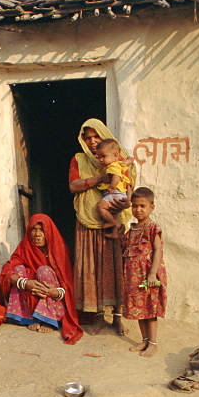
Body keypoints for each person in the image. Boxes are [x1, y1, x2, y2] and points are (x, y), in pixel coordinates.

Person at [69, 118, 135, 335]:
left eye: (95, 136)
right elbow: (73, 185)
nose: (92, 141)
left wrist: (124, 205)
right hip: (88, 220)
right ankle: (98, 316)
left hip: (113, 220)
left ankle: (117, 317)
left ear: (103, 134)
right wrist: (99, 178)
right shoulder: (79, 159)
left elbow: (129, 186)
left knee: (115, 268)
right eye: (87, 138)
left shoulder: (120, 158)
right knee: (92, 270)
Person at [1, 214, 82, 345]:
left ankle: (49, 318)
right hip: (31, 292)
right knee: (18, 270)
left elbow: (68, 284)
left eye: (42, 229)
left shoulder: (58, 250)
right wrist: (25, 283)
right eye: (34, 229)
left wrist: (55, 292)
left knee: (44, 270)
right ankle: (28, 317)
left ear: (48, 231)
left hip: (53, 298)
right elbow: (6, 271)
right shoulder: (24, 248)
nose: (37, 234)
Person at [121, 187, 166, 357]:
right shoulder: (131, 230)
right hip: (134, 277)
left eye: (142, 206)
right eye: (134, 206)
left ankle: (153, 343)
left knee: (150, 308)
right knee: (140, 309)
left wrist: (152, 273)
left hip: (149, 275)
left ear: (151, 207)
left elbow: (157, 251)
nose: (138, 210)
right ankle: (145, 340)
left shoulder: (153, 228)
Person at [94, 139, 133, 238]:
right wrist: (130, 159)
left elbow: (116, 176)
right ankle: (115, 231)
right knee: (114, 215)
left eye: (104, 156)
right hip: (120, 196)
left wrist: (112, 186)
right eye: (98, 157)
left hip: (114, 193)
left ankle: (112, 222)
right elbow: (126, 162)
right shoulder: (119, 164)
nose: (101, 160)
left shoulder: (112, 166)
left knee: (101, 206)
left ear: (116, 155)